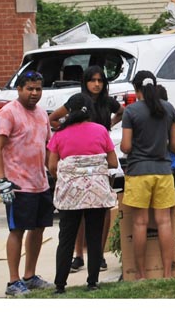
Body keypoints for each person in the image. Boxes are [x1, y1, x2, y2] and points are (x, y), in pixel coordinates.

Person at [49, 66, 123, 273]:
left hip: (100, 160)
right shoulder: (77, 100)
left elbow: (121, 112)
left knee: (103, 207)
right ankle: (79, 255)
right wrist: (67, 130)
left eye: (100, 80)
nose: (97, 84)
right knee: (78, 210)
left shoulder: (108, 102)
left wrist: (108, 128)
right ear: (86, 82)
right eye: (92, 80)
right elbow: (53, 118)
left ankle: (98, 255)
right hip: (79, 164)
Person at [0, 70, 54, 297]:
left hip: (40, 183)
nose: (34, 93)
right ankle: (13, 281)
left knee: (38, 229)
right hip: (17, 184)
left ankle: (30, 276)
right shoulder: (8, 113)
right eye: (30, 88)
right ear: (19, 89)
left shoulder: (42, 114)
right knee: (17, 230)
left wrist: (53, 172)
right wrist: (2, 181)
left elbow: (46, 147)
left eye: (38, 89)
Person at [120, 70, 175, 280]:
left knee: (139, 223)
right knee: (164, 221)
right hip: (164, 172)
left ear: (136, 88)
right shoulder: (168, 109)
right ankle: (167, 273)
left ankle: (140, 274)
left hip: (138, 172)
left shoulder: (131, 112)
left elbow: (126, 146)